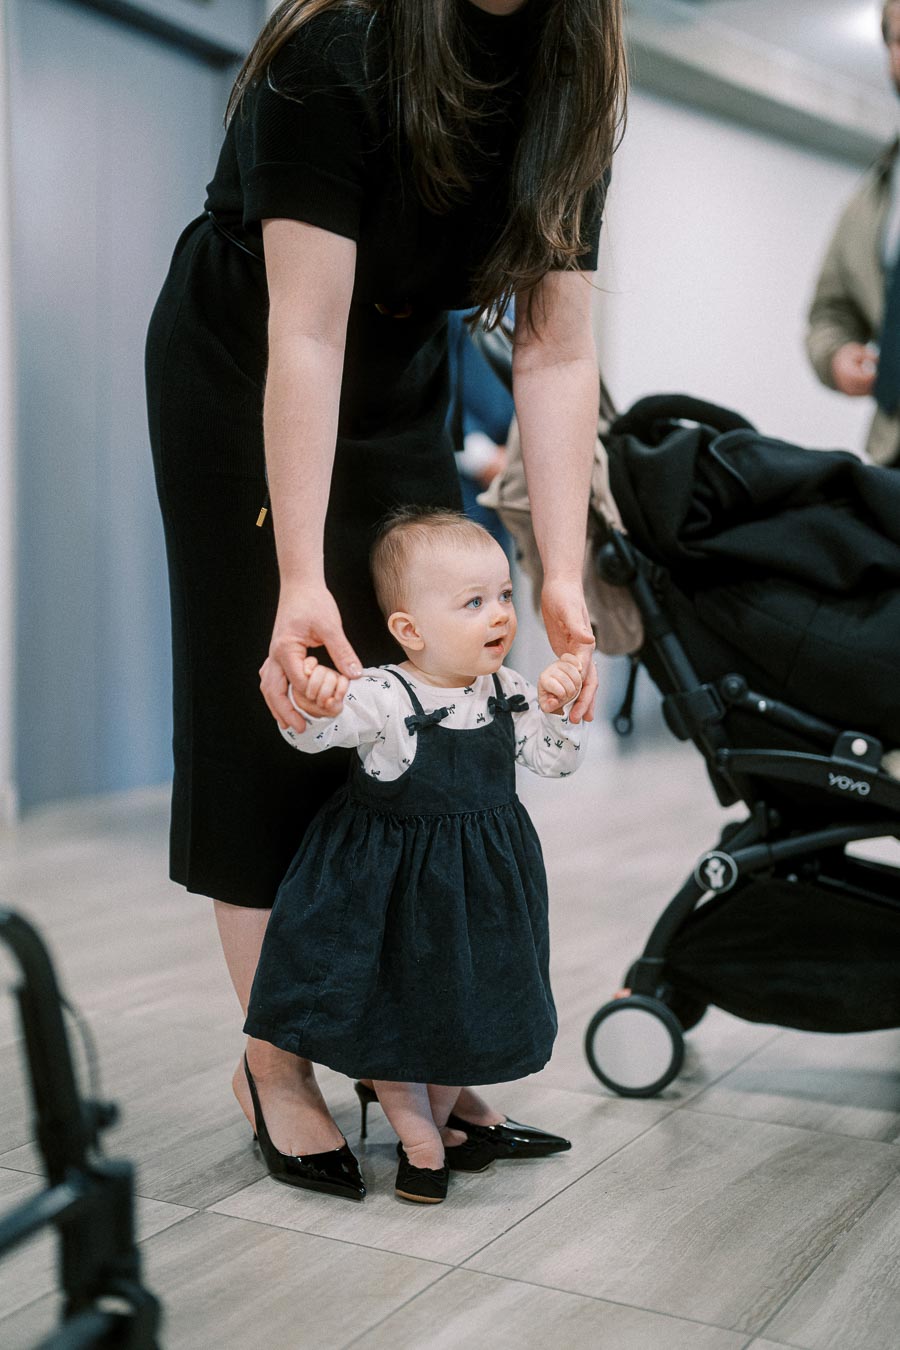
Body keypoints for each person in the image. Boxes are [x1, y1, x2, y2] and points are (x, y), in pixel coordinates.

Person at [145, 0, 623, 1195]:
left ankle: (399, 1050)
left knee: (422, 684)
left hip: (403, 362)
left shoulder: (574, 71)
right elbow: (303, 332)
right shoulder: (337, 46)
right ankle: (278, 1058)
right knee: (286, 702)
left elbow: (558, 353)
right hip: (250, 354)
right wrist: (299, 581)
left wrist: (560, 575)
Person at [243, 508, 587, 1203]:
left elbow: (554, 764)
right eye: (473, 603)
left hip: (485, 896)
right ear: (409, 630)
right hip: (396, 899)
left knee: (471, 1010)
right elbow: (319, 737)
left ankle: (440, 1112)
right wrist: (316, 699)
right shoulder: (384, 695)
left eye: (502, 596)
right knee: (396, 1017)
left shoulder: (510, 693)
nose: (499, 615)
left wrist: (559, 712)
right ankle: (421, 1138)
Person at [806, 0, 900, 466]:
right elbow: (831, 312)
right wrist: (838, 354)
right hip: (891, 460)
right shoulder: (872, 197)